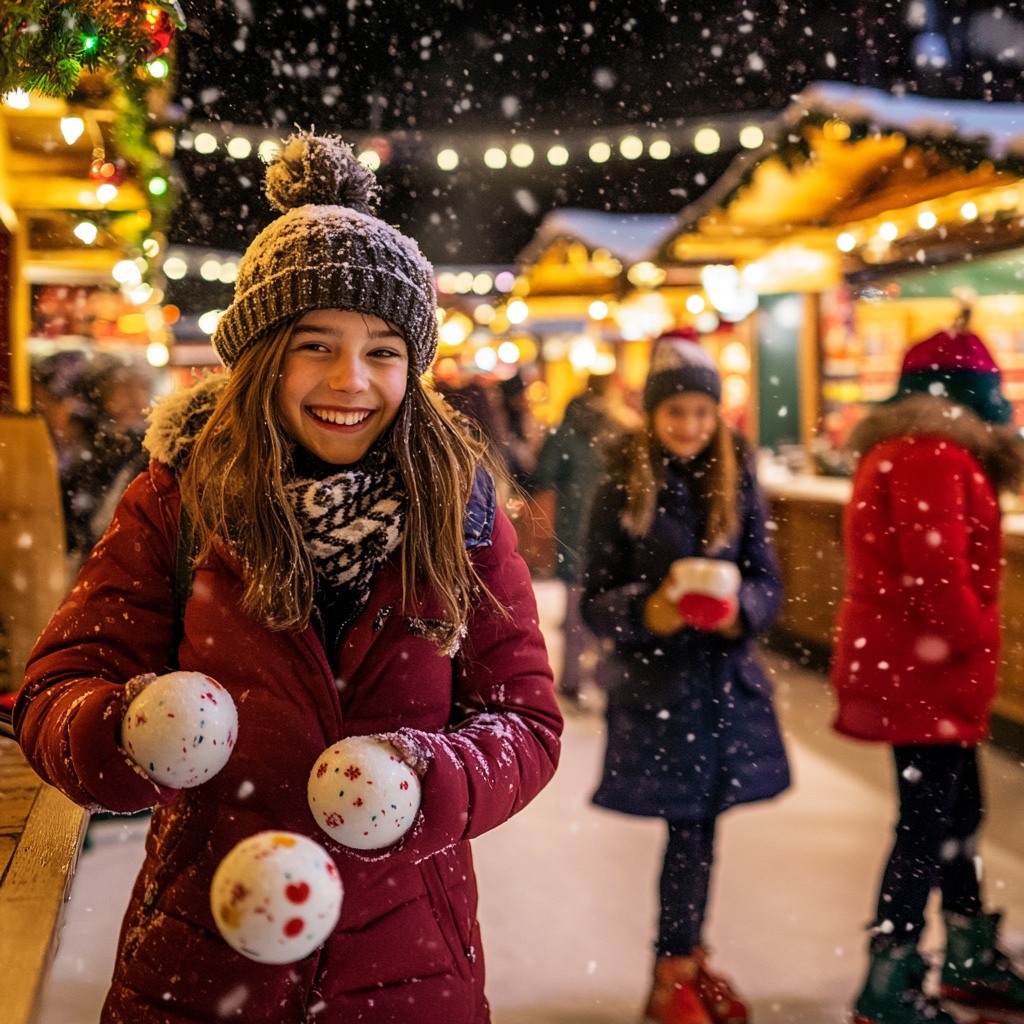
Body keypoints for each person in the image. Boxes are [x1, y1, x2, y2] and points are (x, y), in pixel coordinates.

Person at [15, 132, 561, 1024]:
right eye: (316, 344)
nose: (352, 381)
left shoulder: (455, 509)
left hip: (408, 970)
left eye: (385, 350)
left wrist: (428, 781)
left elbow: (526, 723)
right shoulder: (178, 497)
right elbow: (54, 690)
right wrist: (123, 733)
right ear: (263, 357)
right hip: (201, 959)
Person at [580, 336, 789, 1024]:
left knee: (702, 833)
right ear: (652, 412)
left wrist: (740, 613)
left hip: (725, 690)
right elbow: (594, 599)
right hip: (660, 693)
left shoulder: (737, 473)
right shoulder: (619, 481)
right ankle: (674, 971)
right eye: (677, 411)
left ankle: (685, 962)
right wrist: (653, 610)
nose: (691, 425)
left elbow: (766, 578)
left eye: (703, 411)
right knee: (687, 831)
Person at [833, 323, 1024, 1024]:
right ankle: (889, 979)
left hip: (921, 672)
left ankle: (967, 952)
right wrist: (972, 639)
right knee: (926, 825)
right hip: (923, 675)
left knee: (956, 817)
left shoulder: (918, 448)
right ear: (973, 395)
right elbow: (937, 574)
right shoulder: (931, 454)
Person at [534, 371, 622, 701]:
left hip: (574, 526)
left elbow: (543, 474)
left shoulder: (565, 429)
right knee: (608, 600)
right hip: (612, 528)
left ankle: (572, 678)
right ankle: (604, 674)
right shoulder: (617, 427)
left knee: (575, 605)